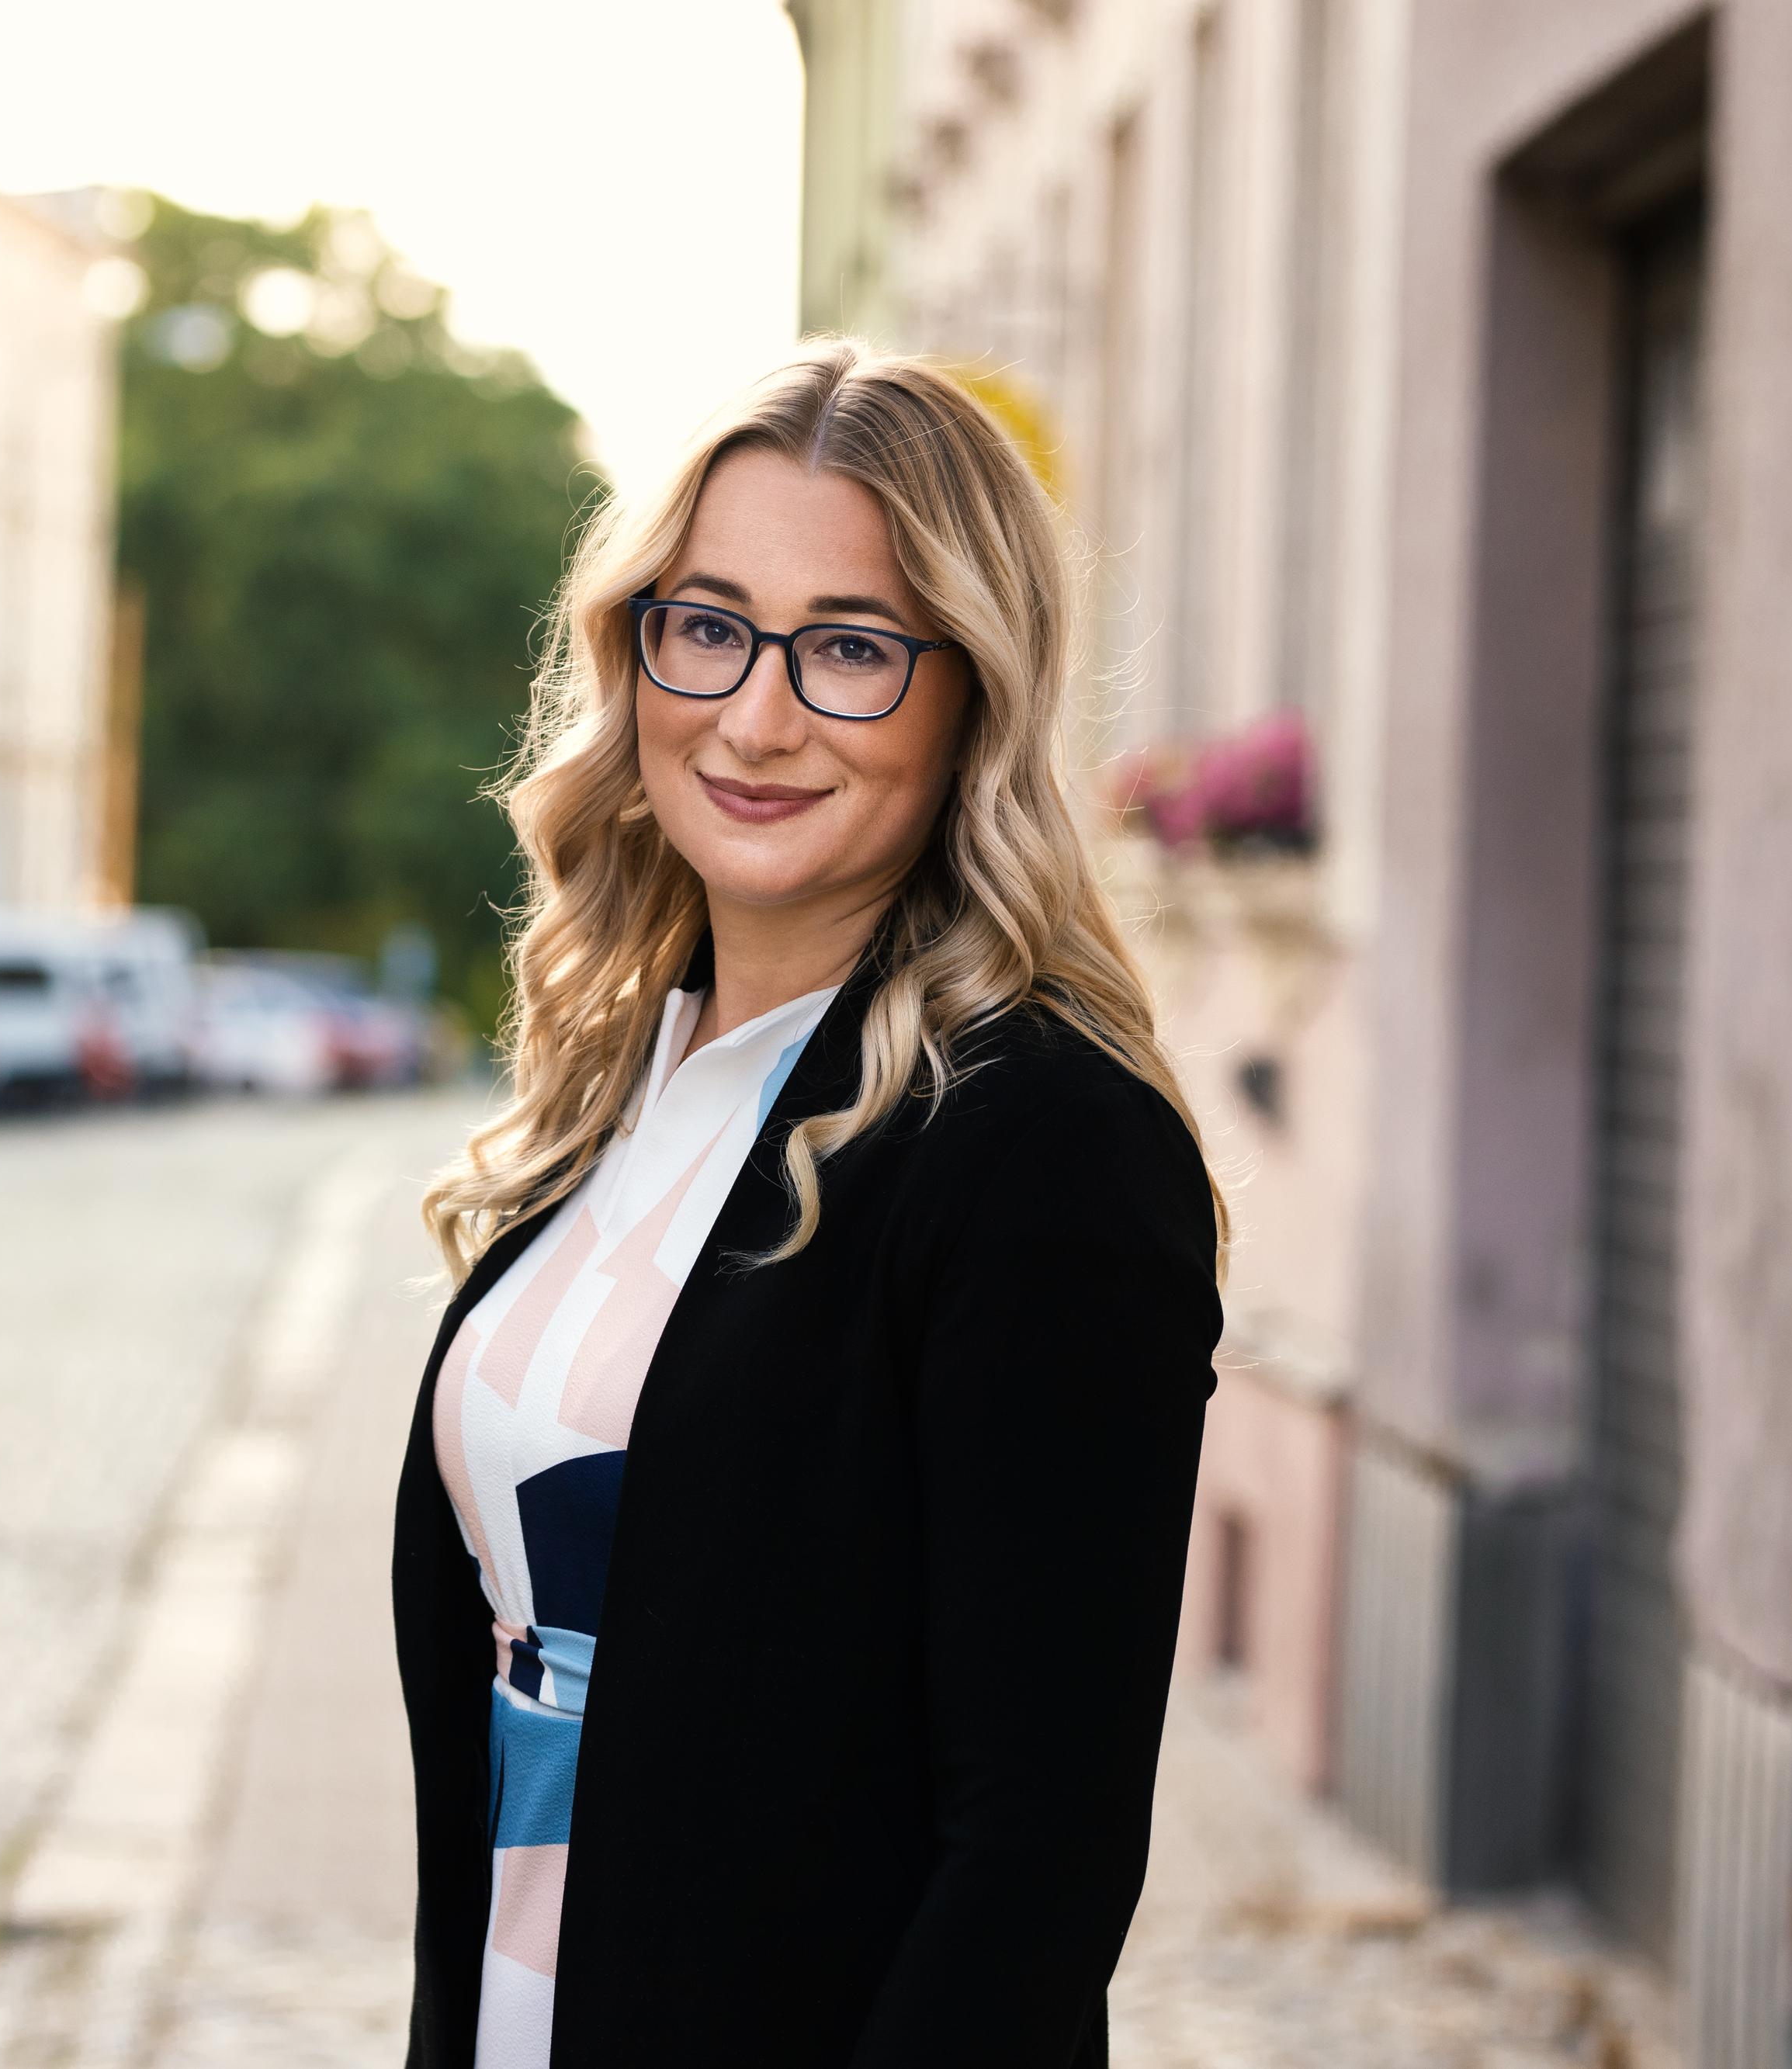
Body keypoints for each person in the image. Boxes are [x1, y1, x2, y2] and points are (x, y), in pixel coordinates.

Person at [397, 341, 1226, 2069]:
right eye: (706, 624)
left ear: (968, 695)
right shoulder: (629, 1081)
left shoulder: (1041, 1143)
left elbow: (1036, 1857)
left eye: (850, 647)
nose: (755, 715)